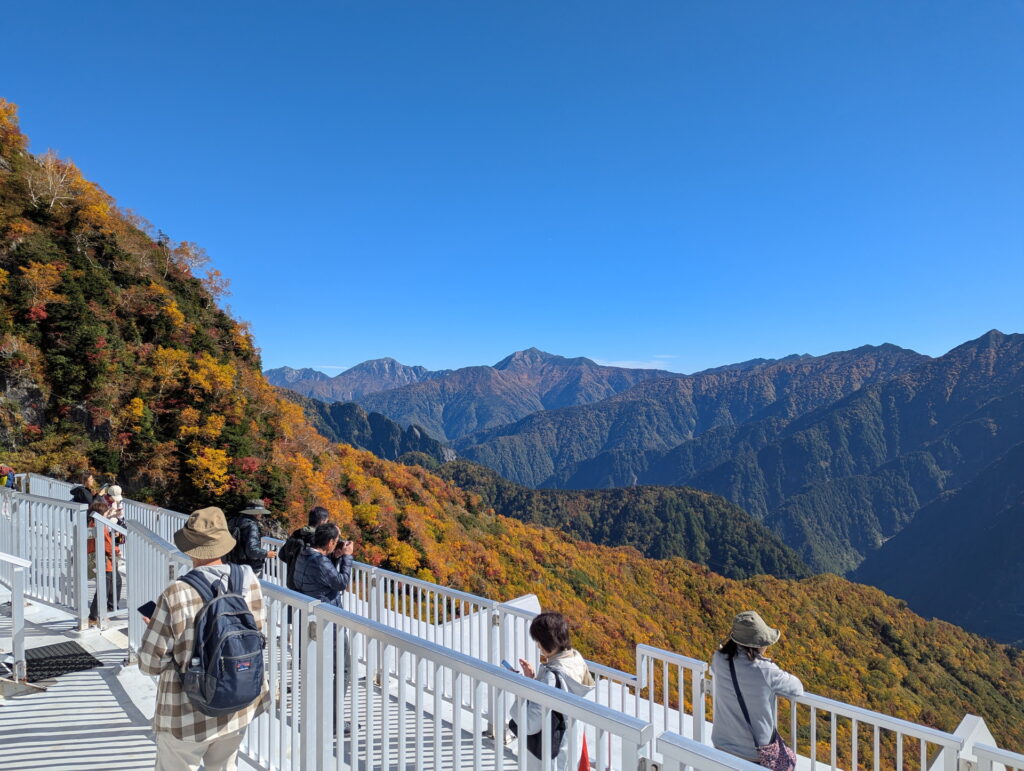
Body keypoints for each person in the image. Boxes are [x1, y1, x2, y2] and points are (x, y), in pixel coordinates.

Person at [139, 506, 269, 771]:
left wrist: (155, 627)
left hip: (187, 711)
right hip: (237, 701)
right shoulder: (247, 578)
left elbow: (149, 664)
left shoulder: (177, 592)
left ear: (190, 549)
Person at [710, 611, 803, 765]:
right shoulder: (766, 670)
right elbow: (797, 688)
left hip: (721, 744)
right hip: (753, 753)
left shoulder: (719, 658)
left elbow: (714, 671)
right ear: (758, 643)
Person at [511, 611, 595, 771]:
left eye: (538, 641)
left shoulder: (552, 675)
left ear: (546, 642)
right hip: (570, 740)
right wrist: (533, 681)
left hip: (550, 750)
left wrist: (521, 689)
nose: (537, 645)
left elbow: (529, 724)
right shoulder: (576, 659)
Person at [292, 522, 353, 606]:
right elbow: (341, 583)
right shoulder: (321, 562)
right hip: (324, 609)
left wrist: (334, 557)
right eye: (336, 542)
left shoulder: (304, 553)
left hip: (307, 604)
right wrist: (347, 556)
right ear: (330, 542)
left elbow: (324, 577)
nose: (336, 544)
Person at [87, 499, 122, 625]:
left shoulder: (93, 523)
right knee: (104, 588)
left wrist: (113, 514)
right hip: (104, 560)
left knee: (115, 582)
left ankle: (109, 608)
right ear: (101, 515)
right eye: (106, 513)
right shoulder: (99, 526)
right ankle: (94, 616)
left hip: (100, 558)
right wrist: (116, 551)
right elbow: (107, 544)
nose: (108, 514)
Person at [279, 506, 330, 591]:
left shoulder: (297, 533)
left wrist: (293, 563)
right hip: (309, 586)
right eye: (327, 521)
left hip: (292, 581)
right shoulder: (317, 539)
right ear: (322, 521)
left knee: (293, 603)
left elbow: (282, 555)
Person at [226, 499, 277, 577]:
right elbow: (251, 550)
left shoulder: (234, 521)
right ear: (256, 513)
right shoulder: (251, 525)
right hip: (250, 567)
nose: (261, 515)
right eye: (260, 513)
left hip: (234, 563)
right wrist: (267, 553)